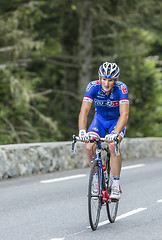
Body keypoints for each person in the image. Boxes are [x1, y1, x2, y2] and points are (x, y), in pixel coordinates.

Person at [78, 61, 129, 200]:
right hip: (99, 120)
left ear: (116, 80)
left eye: (110, 80)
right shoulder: (92, 87)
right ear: (99, 77)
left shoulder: (122, 89)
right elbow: (85, 110)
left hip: (116, 122)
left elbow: (124, 114)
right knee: (89, 146)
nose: (106, 83)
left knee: (113, 145)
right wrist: (82, 131)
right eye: (104, 79)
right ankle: (96, 180)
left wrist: (115, 133)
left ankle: (116, 185)